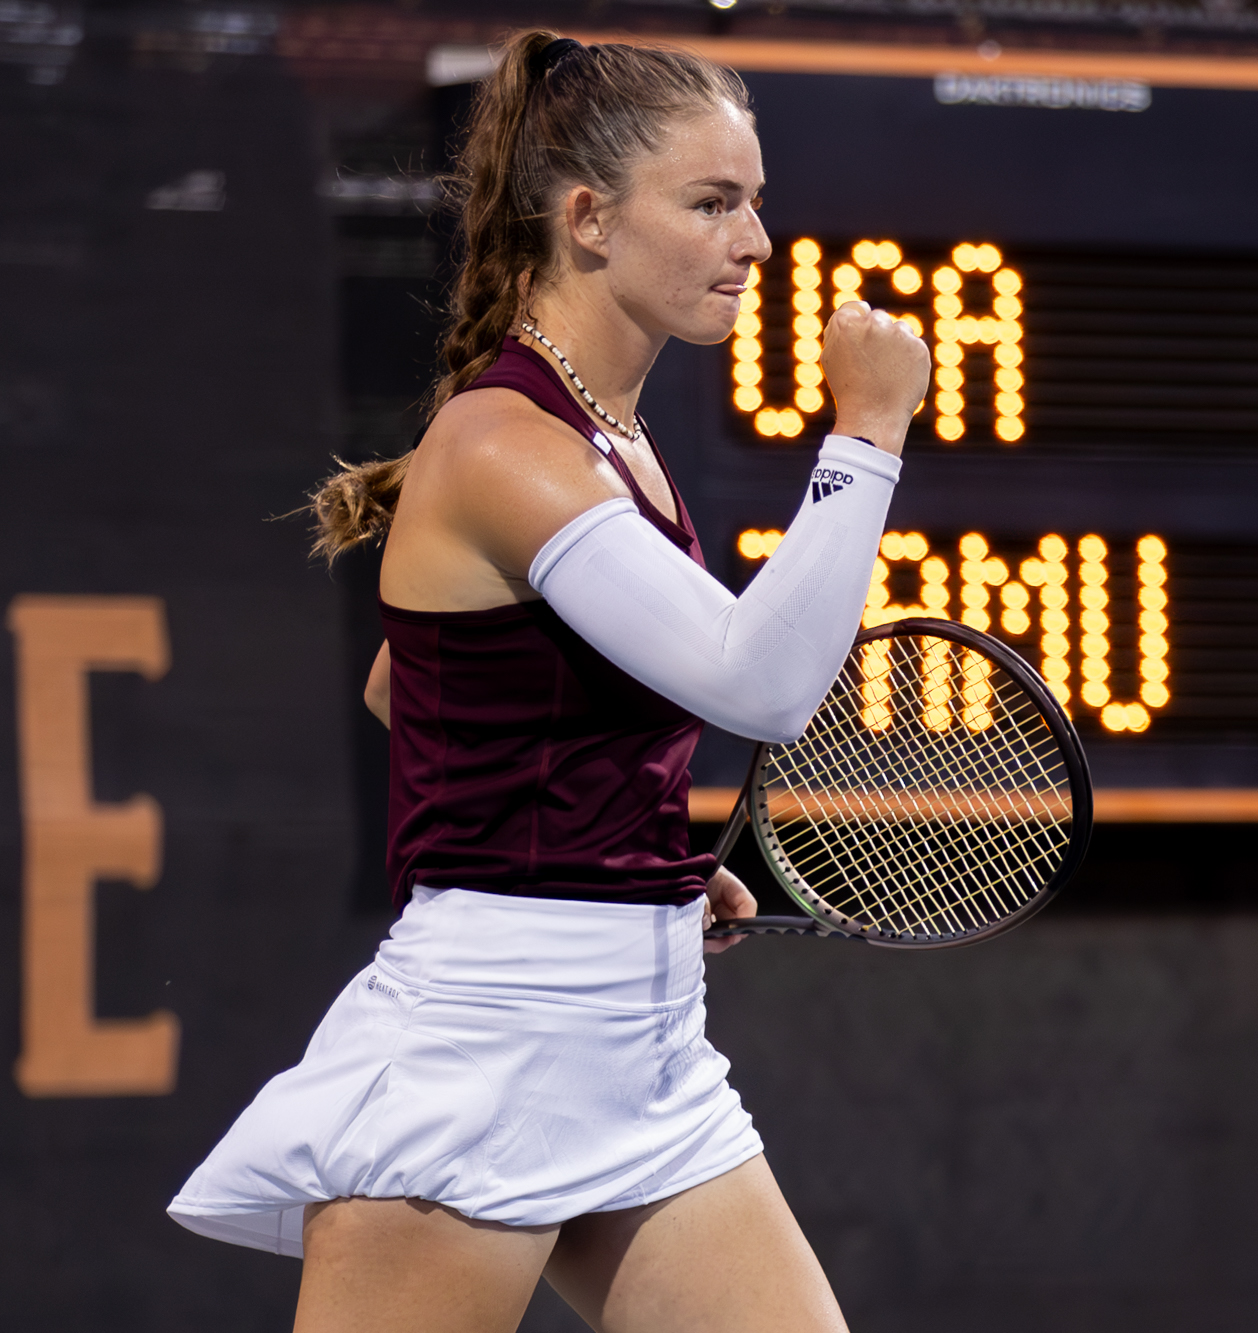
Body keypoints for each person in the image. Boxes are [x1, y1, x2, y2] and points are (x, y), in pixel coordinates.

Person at [166, 30, 929, 1333]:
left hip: (645, 1050)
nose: (755, 241)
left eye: (754, 200)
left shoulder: (610, 440)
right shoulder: (503, 441)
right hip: (482, 1047)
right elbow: (767, 687)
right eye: (711, 203)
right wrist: (868, 431)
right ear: (587, 217)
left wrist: (618, 860)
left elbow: (413, 686)